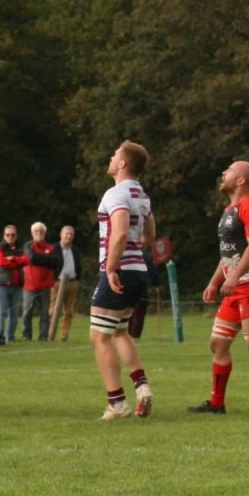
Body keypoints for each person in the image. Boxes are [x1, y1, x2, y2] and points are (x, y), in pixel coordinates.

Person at [188, 161, 249, 416]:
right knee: (218, 343)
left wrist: (234, 277)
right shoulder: (230, 209)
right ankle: (217, 403)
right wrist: (215, 281)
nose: (223, 173)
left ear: (241, 181)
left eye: (228, 170)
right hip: (235, 287)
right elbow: (229, 254)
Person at [91, 141, 156, 420]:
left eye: (115, 154)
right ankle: (142, 388)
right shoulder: (141, 194)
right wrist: (134, 247)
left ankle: (117, 403)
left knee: (99, 336)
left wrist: (111, 267)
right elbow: (149, 234)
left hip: (120, 270)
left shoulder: (115, 193)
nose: (110, 156)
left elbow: (118, 233)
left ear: (122, 164)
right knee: (119, 332)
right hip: (139, 269)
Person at [21, 222, 62, 341]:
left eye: (41, 231)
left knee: (45, 314)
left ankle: (44, 336)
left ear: (45, 233)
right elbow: (31, 258)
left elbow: (56, 262)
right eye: (36, 231)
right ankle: (26, 336)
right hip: (29, 286)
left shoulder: (51, 248)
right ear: (32, 233)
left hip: (45, 286)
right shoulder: (27, 246)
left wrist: (40, 259)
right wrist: (46, 260)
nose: (39, 233)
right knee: (27, 313)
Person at [0, 226, 28, 343]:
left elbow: (26, 260)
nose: (10, 237)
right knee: (0, 313)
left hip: (17, 285)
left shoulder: (21, 248)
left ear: (16, 236)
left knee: (14, 314)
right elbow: (1, 262)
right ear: (4, 236)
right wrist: (17, 262)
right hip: (3, 284)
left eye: (12, 235)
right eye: (8, 235)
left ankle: (10, 337)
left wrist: (12, 258)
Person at [49, 225, 82, 341]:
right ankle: (50, 333)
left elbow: (78, 265)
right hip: (57, 282)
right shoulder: (53, 249)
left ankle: (64, 335)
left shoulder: (75, 250)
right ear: (61, 235)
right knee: (53, 310)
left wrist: (78, 279)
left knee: (69, 311)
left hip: (72, 283)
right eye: (66, 234)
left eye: (71, 234)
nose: (68, 236)